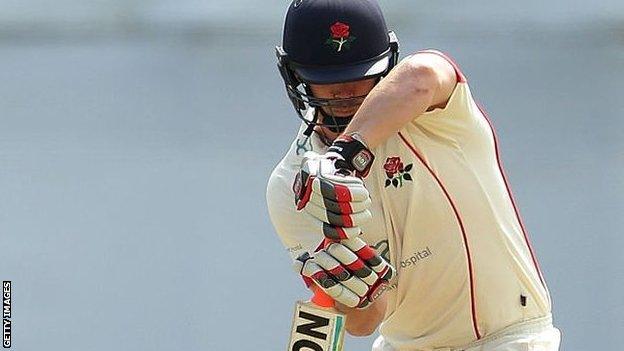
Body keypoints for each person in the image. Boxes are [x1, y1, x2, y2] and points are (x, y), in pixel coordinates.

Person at [266, 0, 561, 350]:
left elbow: (424, 74)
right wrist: (347, 279)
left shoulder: (436, 114)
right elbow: (364, 321)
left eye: (359, 74)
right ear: (295, 76)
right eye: (327, 80)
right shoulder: (291, 185)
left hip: (508, 339)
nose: (345, 91)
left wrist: (342, 157)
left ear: (388, 64)